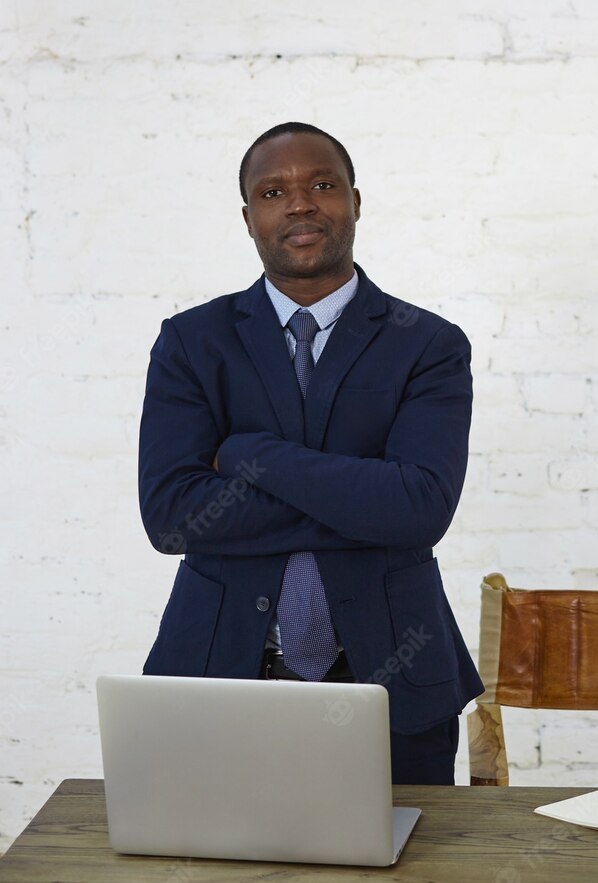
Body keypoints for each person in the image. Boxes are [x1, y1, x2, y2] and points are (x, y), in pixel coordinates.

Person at [137, 122, 483, 784]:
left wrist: (247, 456)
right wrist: (362, 501)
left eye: (321, 185)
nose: (299, 204)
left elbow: (418, 510)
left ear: (355, 201)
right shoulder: (192, 342)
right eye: (273, 191)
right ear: (248, 217)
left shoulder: (428, 345)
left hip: (394, 683)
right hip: (220, 672)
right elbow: (174, 518)